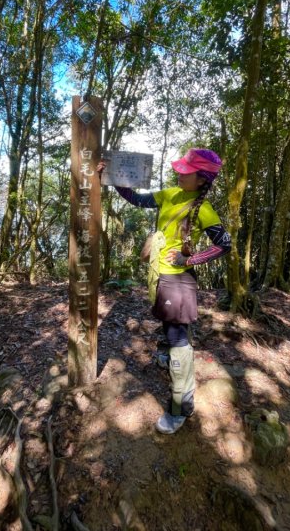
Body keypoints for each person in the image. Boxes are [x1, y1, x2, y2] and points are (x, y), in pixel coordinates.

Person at [98, 148, 231, 434]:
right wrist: (111, 178)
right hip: (160, 275)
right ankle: (167, 357)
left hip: (178, 281)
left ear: (202, 179)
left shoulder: (203, 209)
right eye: (181, 169)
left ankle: (181, 408)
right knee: (169, 329)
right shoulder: (170, 193)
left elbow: (224, 244)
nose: (180, 173)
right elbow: (138, 199)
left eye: (187, 171)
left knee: (178, 338)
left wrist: (190, 259)